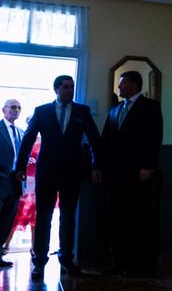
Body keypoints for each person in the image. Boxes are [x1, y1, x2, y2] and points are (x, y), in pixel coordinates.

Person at [15, 75, 102, 280]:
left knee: (68, 217)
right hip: (46, 173)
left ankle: (67, 260)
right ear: (56, 89)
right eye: (65, 87)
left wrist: (96, 165)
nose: (70, 90)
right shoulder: (42, 111)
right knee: (43, 218)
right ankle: (39, 263)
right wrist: (19, 166)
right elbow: (28, 139)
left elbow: (95, 139)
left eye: (71, 87)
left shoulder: (82, 111)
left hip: (72, 172)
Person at [101, 70, 163, 276]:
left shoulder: (150, 107)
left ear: (134, 84)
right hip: (114, 174)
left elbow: (155, 137)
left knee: (136, 217)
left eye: (123, 83)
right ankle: (116, 262)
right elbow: (105, 141)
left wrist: (148, 166)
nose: (118, 88)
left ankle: (137, 264)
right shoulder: (115, 109)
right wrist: (98, 167)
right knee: (114, 217)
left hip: (138, 172)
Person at [5, 134, 40, 257]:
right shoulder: (25, 141)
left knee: (35, 219)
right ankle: (6, 245)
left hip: (36, 185)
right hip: (24, 185)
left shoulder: (43, 143)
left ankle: (34, 247)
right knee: (16, 216)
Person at [0, 99, 24, 268]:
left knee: (6, 221)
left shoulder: (21, 132)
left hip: (15, 183)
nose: (16, 110)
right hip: (0, 181)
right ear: (3, 110)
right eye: (13, 107)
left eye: (18, 108)